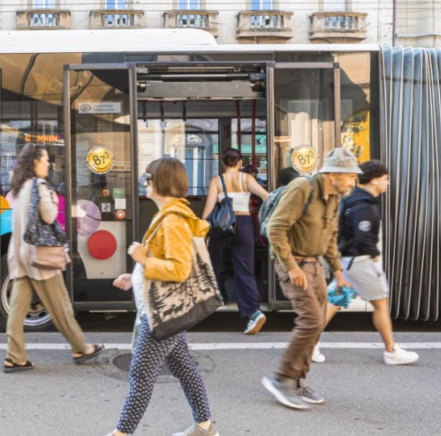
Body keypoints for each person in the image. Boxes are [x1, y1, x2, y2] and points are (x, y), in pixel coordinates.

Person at [106, 157, 218, 436]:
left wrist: (142, 258)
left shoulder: (173, 220)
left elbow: (179, 269)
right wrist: (135, 277)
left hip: (161, 311)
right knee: (183, 367)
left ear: (162, 183)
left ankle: (122, 434)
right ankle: (204, 427)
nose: (145, 183)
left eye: (149, 178)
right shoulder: (171, 215)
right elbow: (166, 262)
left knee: (141, 375)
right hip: (165, 306)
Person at [261, 148, 360, 410]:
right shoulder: (302, 188)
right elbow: (276, 229)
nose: (353, 181)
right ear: (333, 174)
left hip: (314, 265)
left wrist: (338, 273)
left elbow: (329, 239)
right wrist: (291, 267)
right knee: (312, 320)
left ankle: (296, 381)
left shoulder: (335, 197)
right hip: (293, 262)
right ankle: (282, 379)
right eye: (350, 176)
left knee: (316, 324)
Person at [4, 144, 103, 373]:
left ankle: (14, 356)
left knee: (17, 311)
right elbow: (48, 217)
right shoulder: (39, 186)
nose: (48, 163)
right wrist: (54, 199)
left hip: (21, 256)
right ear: (36, 162)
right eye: (45, 159)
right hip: (40, 256)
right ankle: (81, 347)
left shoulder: (19, 188)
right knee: (61, 306)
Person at [313, 161, 419, 365]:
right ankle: (391, 351)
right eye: (386, 179)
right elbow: (363, 233)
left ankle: (310, 344)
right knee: (380, 304)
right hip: (360, 261)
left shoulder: (352, 199)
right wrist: (374, 252)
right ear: (374, 180)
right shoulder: (363, 205)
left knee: (334, 301)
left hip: (348, 260)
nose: (388, 183)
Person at [202, 148, 269, 335]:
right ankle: (252, 312)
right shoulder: (247, 179)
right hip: (244, 223)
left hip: (222, 225)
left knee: (216, 261)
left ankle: (219, 296)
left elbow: (208, 210)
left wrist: (203, 232)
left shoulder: (217, 181)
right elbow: (266, 196)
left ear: (223, 163)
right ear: (240, 162)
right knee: (244, 267)